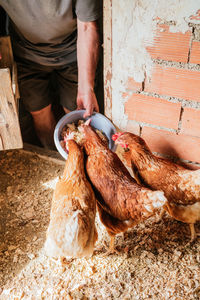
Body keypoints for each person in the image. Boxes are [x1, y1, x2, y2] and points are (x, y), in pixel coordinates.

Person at [0, 1, 101, 148]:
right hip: (26, 53)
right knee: (39, 112)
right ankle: (55, 156)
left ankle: (76, 158)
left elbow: (87, 26)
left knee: (77, 115)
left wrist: (87, 88)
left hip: (75, 52)